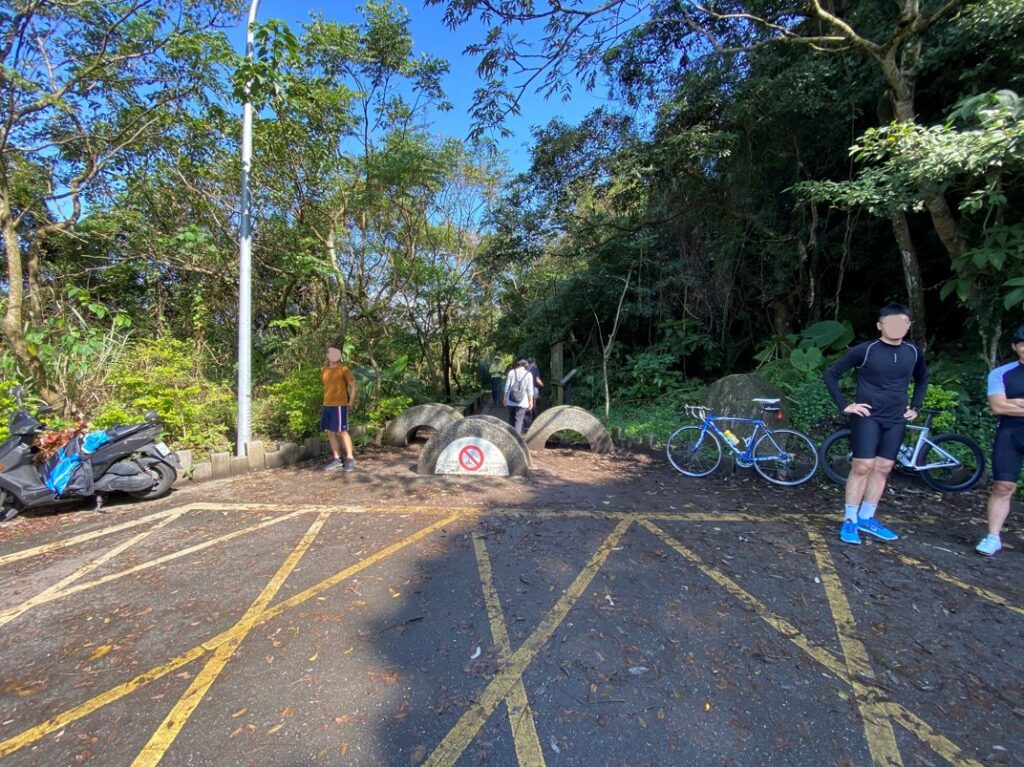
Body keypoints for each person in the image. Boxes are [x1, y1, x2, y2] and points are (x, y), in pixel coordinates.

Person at [823, 304, 929, 545]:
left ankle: (867, 517)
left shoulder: (913, 352)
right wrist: (844, 405)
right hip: (867, 415)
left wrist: (916, 407)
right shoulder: (865, 350)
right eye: (891, 322)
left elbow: (923, 378)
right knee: (862, 466)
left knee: (883, 468)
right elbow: (831, 373)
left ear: (908, 325)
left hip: (896, 418)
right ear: (880, 325)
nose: (896, 327)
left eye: (902, 322)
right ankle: (850, 520)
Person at [976, 323, 1024, 556]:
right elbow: (997, 406)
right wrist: (1007, 404)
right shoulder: (1001, 373)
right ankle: (993, 536)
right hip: (1010, 433)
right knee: (1003, 486)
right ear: (1016, 347)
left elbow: (1006, 404)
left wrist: (1015, 402)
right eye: (1023, 344)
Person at [321, 345, 358, 471]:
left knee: (342, 431)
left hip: (340, 405)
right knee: (330, 433)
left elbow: (354, 386)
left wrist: (351, 402)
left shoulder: (343, 369)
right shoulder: (324, 370)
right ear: (327, 355)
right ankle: (337, 459)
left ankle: (350, 458)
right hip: (327, 405)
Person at [504, 358, 534, 434]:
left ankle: (510, 437)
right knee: (519, 421)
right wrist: (531, 401)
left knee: (511, 419)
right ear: (526, 365)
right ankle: (516, 439)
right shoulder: (529, 374)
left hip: (511, 400)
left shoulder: (511, 372)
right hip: (522, 402)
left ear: (517, 364)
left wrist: (505, 398)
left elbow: (507, 386)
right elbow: (530, 389)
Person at [527, 357, 544, 422]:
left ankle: (527, 419)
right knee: (534, 403)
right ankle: (534, 419)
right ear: (533, 362)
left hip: (525, 389)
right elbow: (537, 380)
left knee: (527, 403)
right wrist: (542, 384)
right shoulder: (535, 369)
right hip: (534, 388)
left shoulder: (525, 368)